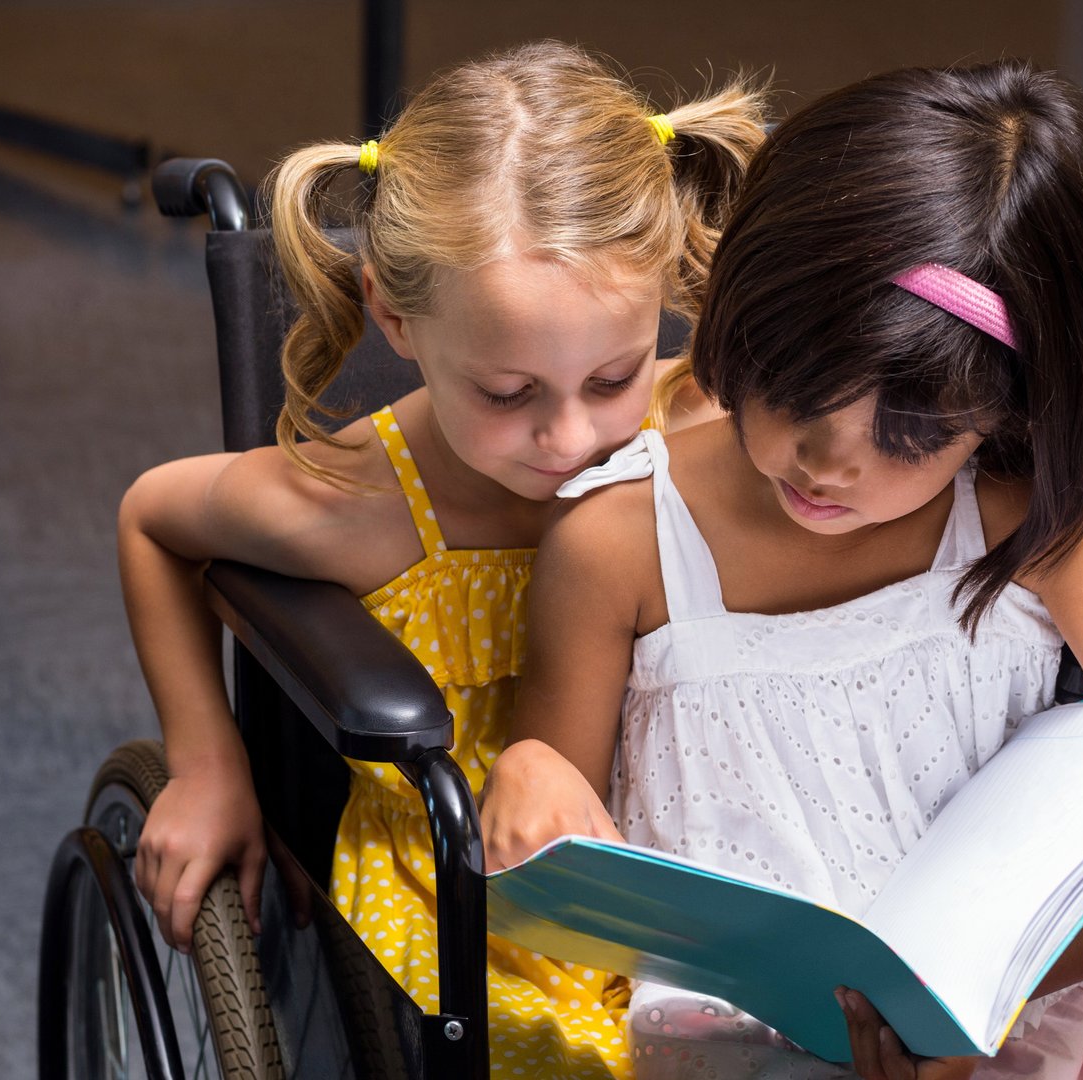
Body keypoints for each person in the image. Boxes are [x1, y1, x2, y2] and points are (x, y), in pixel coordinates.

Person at [480, 60, 1083, 1080]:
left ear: (1006, 411)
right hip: (729, 1051)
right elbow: (556, 829)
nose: (828, 461)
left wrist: (963, 1006)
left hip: (1006, 1031)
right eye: (793, 393)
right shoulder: (623, 540)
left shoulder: (1033, 519)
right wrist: (530, 773)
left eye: (909, 435)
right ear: (746, 319)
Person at [117, 40, 768, 1077]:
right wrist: (206, 762)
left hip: (689, 850)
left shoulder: (705, 424)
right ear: (393, 318)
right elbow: (154, 520)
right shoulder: (358, 501)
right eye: (509, 396)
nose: (570, 439)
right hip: (470, 890)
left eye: (612, 376)